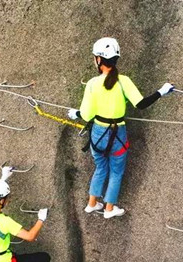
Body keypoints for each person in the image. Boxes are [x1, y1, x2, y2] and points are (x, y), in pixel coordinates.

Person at [68, 37, 174, 219]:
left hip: (97, 134)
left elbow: (86, 115)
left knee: (100, 167)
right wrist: (161, 92)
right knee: (116, 171)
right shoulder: (124, 81)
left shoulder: (92, 83)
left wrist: (75, 113)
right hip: (117, 134)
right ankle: (109, 209)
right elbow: (141, 104)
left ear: (99, 60)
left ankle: (92, 204)